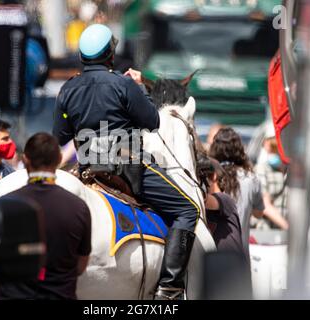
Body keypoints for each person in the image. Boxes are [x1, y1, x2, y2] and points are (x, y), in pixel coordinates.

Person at [52, 24, 199, 300]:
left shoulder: (68, 89)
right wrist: (138, 89)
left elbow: (60, 136)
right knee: (188, 210)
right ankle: (169, 289)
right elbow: (153, 122)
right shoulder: (123, 84)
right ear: (110, 54)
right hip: (126, 169)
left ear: (83, 58)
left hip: (87, 169)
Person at [0, 133, 91, 300]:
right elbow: (81, 266)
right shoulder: (79, 207)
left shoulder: (3, 205)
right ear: (58, 159)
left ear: (25, 160)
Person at [209, 127, 265, 258]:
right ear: (240, 150)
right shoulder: (252, 179)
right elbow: (259, 213)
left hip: (212, 255)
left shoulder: (211, 178)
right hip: (240, 257)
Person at [196, 153, 245, 257]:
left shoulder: (225, 199)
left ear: (214, 176)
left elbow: (203, 200)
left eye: (200, 178)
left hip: (232, 267)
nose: (197, 181)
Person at [255, 125, 289, 230]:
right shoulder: (261, 169)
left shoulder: (290, 170)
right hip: (267, 232)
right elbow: (265, 205)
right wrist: (287, 226)